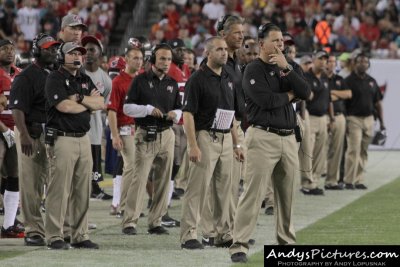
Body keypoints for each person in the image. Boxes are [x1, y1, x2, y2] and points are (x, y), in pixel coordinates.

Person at [229, 23, 311, 263]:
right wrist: (289, 95)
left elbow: (305, 92)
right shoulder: (253, 69)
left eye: (282, 41)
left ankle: (286, 245)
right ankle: (239, 244)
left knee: (286, 196)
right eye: (275, 41)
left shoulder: (289, 66)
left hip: (288, 137)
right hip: (262, 136)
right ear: (262, 43)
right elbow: (266, 101)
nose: (280, 45)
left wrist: (287, 69)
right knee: (253, 194)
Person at [180, 36, 244, 250]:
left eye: (225, 49)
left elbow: (231, 113)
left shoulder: (228, 77)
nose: (224, 52)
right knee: (197, 189)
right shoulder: (197, 79)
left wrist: (236, 144)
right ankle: (189, 234)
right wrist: (192, 145)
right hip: (205, 136)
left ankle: (222, 233)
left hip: (226, 137)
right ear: (208, 53)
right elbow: (188, 114)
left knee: (225, 190)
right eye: (219, 49)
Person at [44, 42, 104, 249]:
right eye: (71, 53)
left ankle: (79, 235)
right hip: (62, 138)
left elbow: (101, 103)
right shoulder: (54, 78)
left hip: (83, 138)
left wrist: (79, 98)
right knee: (59, 189)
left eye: (79, 52)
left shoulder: (84, 79)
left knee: (82, 190)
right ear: (62, 56)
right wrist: (87, 104)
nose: (77, 56)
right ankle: (54, 236)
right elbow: (63, 106)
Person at [121, 44, 181, 236]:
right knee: (139, 179)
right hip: (146, 134)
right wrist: (147, 109)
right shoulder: (139, 81)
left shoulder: (172, 83)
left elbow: (180, 109)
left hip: (167, 134)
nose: (166, 62)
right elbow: (127, 108)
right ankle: (130, 222)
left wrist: (176, 113)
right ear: (153, 59)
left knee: (164, 181)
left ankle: (156, 221)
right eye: (162, 58)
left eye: (169, 59)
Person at [10, 33, 60, 245]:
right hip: (33, 134)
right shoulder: (26, 76)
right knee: (31, 185)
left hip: (54, 135)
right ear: (36, 50)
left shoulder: (57, 74)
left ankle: (54, 228)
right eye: (47, 48)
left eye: (54, 48)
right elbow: (18, 109)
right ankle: (33, 231)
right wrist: (24, 135)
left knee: (56, 184)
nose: (52, 51)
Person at [216, 14, 246, 246]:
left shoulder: (236, 62)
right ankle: (212, 231)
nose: (241, 36)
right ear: (223, 35)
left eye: (242, 32)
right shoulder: (218, 61)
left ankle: (228, 231)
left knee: (232, 183)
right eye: (237, 32)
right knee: (216, 185)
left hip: (234, 125)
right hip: (219, 127)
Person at [107, 43, 143, 216]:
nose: (139, 61)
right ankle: (123, 205)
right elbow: (112, 111)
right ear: (126, 59)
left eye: (141, 58)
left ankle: (130, 205)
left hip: (140, 129)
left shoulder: (141, 79)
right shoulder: (118, 82)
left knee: (138, 167)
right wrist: (115, 135)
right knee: (131, 166)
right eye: (135, 58)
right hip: (126, 128)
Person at [343, 53, 385, 189]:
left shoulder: (372, 81)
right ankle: (349, 180)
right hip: (353, 118)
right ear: (355, 63)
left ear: (368, 65)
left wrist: (382, 122)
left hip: (369, 119)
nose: (363, 64)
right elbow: (343, 104)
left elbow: (378, 103)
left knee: (363, 151)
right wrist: (345, 121)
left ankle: (358, 179)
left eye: (365, 62)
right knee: (353, 150)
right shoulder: (348, 81)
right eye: (360, 61)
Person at [81, 35, 112, 200]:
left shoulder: (105, 79)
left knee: (94, 159)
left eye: (92, 49)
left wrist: (93, 104)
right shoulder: (77, 72)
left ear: (100, 53)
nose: (88, 52)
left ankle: (94, 188)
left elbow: (105, 104)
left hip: (95, 126)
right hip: (77, 127)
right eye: (85, 49)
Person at [301, 50, 333, 196]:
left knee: (320, 152)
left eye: (325, 59)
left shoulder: (325, 78)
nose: (323, 62)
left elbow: (329, 100)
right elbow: (304, 97)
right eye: (320, 59)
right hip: (310, 118)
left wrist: (331, 118)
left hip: (322, 118)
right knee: (308, 152)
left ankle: (314, 181)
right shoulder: (306, 77)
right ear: (313, 59)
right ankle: (306, 183)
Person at [0, 39, 23, 238]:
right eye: (4, 49)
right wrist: (4, 130)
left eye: (12, 49)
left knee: (15, 175)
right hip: (1, 129)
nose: (9, 52)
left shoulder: (19, 73)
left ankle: (8, 225)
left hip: (15, 130)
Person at [325, 54, 352, 190]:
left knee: (337, 150)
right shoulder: (320, 78)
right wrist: (334, 95)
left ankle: (331, 181)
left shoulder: (340, 79)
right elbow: (320, 96)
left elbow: (348, 94)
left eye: (333, 61)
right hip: (323, 116)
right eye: (329, 61)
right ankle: (312, 180)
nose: (332, 64)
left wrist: (332, 93)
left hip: (340, 116)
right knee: (319, 149)